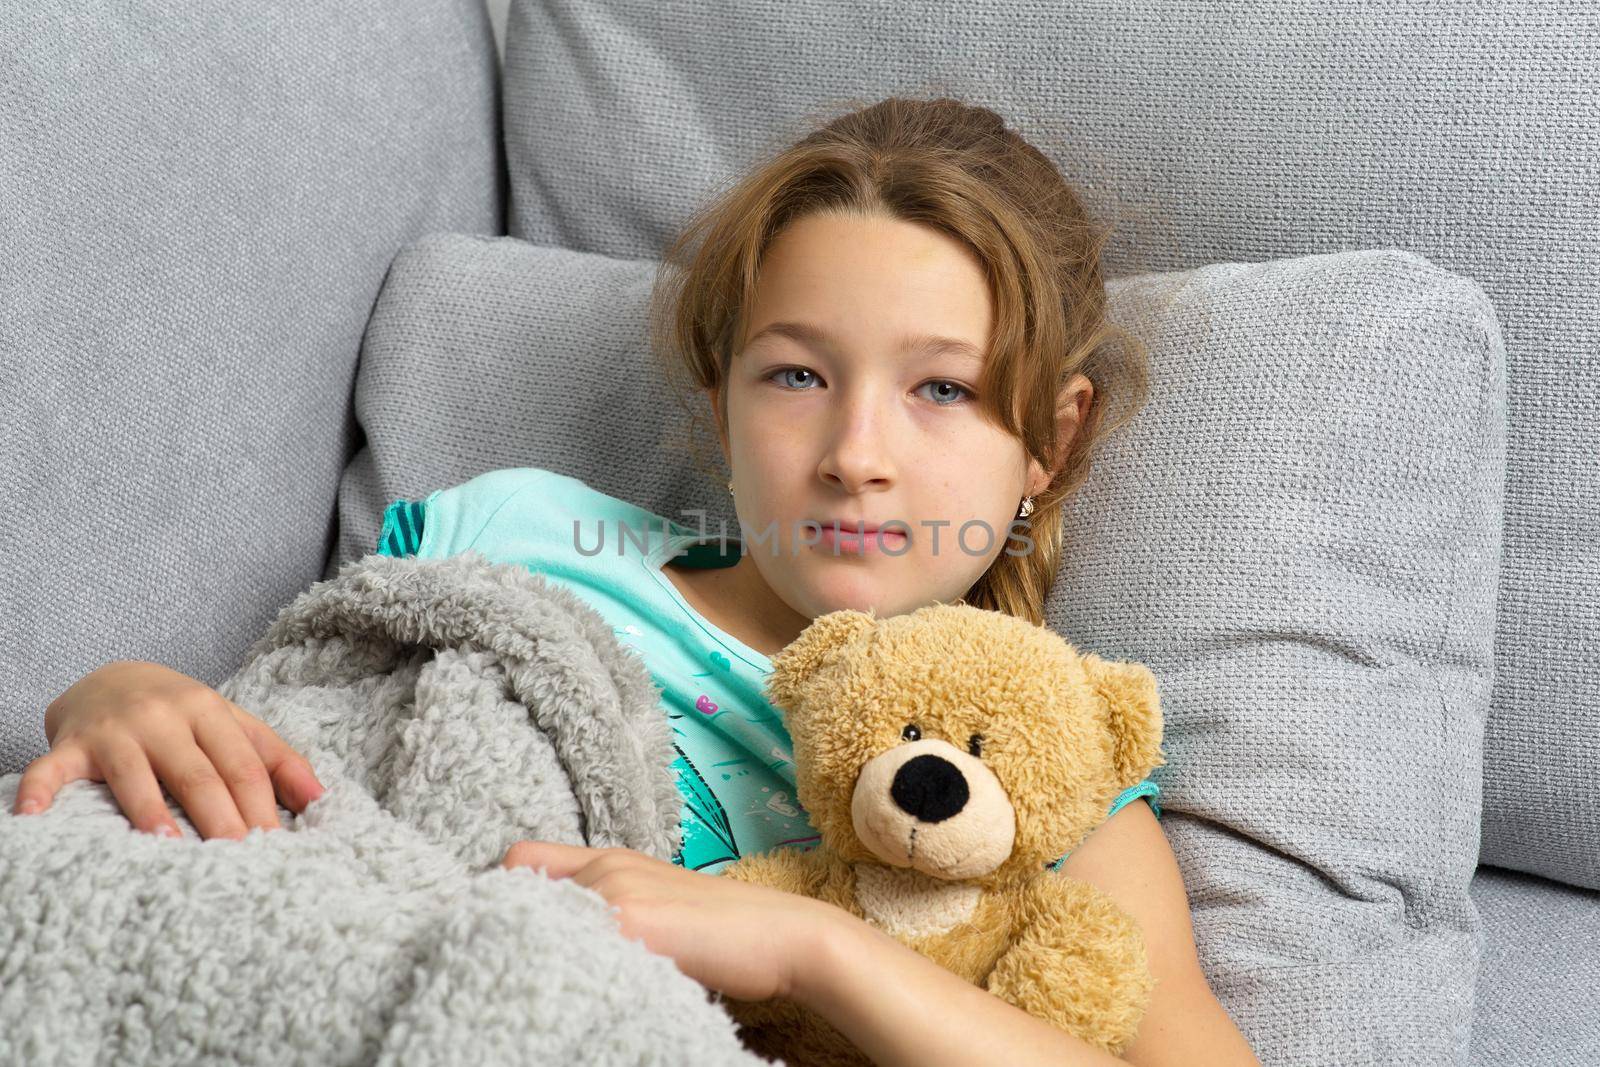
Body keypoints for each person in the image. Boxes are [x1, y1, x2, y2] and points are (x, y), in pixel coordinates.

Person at [14, 97, 1259, 1067]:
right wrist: (119, 693)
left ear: (1050, 435)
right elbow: (314, 710)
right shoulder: (521, 533)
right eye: (795, 375)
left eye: (942, 389)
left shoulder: (1051, 785)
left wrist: (813, 948)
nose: (855, 457)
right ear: (718, 400)